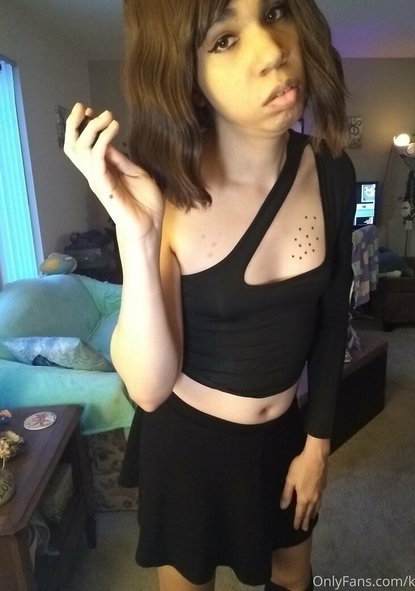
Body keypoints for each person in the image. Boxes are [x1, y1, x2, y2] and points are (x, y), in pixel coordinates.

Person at [64, 1, 356, 589]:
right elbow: (148, 388)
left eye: (273, 12)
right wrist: (137, 235)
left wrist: (317, 444)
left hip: (284, 438)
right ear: (186, 75)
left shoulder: (331, 171)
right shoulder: (165, 189)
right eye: (224, 39)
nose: (272, 52)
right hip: (188, 449)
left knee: (294, 576)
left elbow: (332, 318)